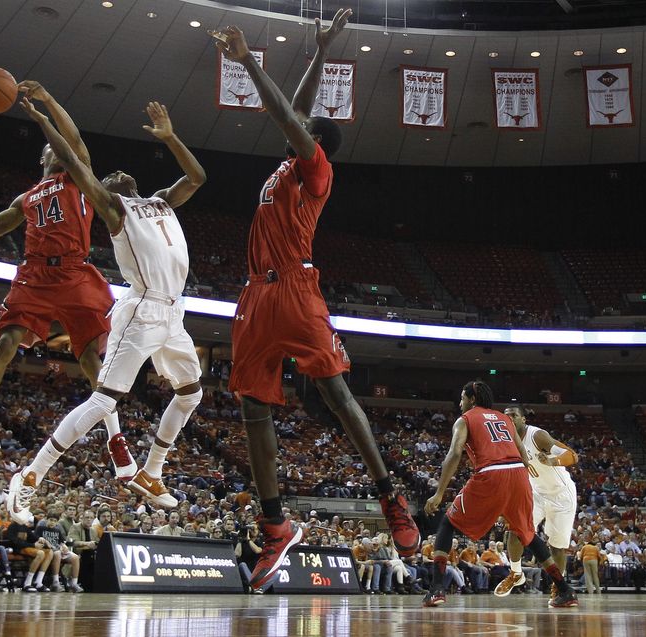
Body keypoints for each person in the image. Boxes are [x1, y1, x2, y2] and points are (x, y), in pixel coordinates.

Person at [211, 12, 419, 591]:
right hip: (255, 295)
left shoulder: (317, 169)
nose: (292, 129)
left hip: (298, 291)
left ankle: (390, 497)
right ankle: (275, 525)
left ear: (316, 143)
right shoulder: (287, 164)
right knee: (253, 407)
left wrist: (248, 60)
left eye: (304, 129)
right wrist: (322, 50)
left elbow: (287, 113)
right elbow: (296, 110)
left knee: (334, 390)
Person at [0, 80, 136, 481]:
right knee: (6, 343)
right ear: (42, 158)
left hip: (74, 271)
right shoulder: (27, 197)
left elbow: (72, 137)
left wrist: (47, 102)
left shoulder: (79, 175)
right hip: (35, 273)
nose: (59, 149)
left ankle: (116, 440)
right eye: (52, 148)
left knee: (91, 359)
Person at [7, 97, 206, 518]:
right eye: (109, 175)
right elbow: (78, 165)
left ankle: (152, 471)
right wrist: (46, 121)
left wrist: (170, 138)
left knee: (191, 393)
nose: (116, 172)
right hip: (141, 311)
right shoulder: (115, 209)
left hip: (173, 312)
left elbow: (197, 176)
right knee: (104, 401)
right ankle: (29, 477)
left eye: (119, 172)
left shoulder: (161, 199)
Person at [422, 381, 578, 608]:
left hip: (492, 473)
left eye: (462, 398)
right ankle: (565, 590)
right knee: (527, 533)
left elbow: (455, 453)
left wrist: (439, 493)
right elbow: (523, 455)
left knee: (447, 523)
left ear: (472, 399)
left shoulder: (465, 419)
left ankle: (436, 589)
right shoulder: (504, 419)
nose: (460, 402)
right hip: (518, 474)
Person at [498, 404, 579, 602]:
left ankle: (558, 587)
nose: (510, 419)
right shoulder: (505, 442)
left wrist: (552, 461)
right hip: (536, 493)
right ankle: (516, 573)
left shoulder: (537, 436)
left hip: (561, 495)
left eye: (514, 416)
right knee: (515, 530)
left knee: (556, 547)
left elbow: (572, 455)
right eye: (506, 416)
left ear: (523, 419)